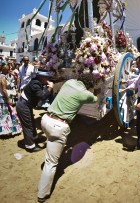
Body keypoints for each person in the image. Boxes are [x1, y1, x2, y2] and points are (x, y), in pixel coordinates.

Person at [37, 72, 99, 202]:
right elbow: (95, 98)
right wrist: (97, 88)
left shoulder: (69, 83)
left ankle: (52, 157)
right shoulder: (85, 94)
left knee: (52, 147)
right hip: (58, 127)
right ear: (88, 85)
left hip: (45, 120)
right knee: (51, 163)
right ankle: (42, 194)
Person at [16, 69, 54, 152]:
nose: (48, 79)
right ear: (41, 77)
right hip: (23, 105)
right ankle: (30, 146)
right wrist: (50, 87)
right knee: (28, 126)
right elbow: (42, 96)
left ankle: (34, 138)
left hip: (26, 105)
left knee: (32, 123)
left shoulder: (36, 82)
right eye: (46, 77)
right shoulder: (35, 84)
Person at [0, 65, 22, 136]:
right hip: (3, 98)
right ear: (7, 70)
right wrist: (8, 98)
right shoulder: (3, 78)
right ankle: (4, 131)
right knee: (4, 114)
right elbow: (4, 90)